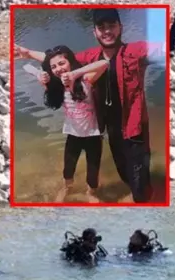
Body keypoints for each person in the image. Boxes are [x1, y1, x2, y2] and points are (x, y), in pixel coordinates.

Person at [16, 8, 166, 203]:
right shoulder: (90, 56)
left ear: (120, 28)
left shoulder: (135, 51)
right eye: (101, 27)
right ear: (94, 32)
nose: (107, 31)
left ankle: (144, 200)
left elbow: (163, 48)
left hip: (134, 128)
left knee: (139, 181)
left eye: (111, 25)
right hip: (110, 128)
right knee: (125, 174)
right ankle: (140, 195)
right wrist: (28, 54)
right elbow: (61, 60)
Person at [39, 46, 109, 203]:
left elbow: (104, 63)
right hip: (73, 134)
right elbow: (32, 70)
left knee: (93, 171)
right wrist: (41, 77)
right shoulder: (56, 86)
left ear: (70, 61)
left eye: (62, 63)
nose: (58, 69)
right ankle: (66, 188)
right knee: (68, 169)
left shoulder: (86, 80)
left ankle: (91, 192)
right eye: (54, 67)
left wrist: (76, 73)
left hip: (93, 135)